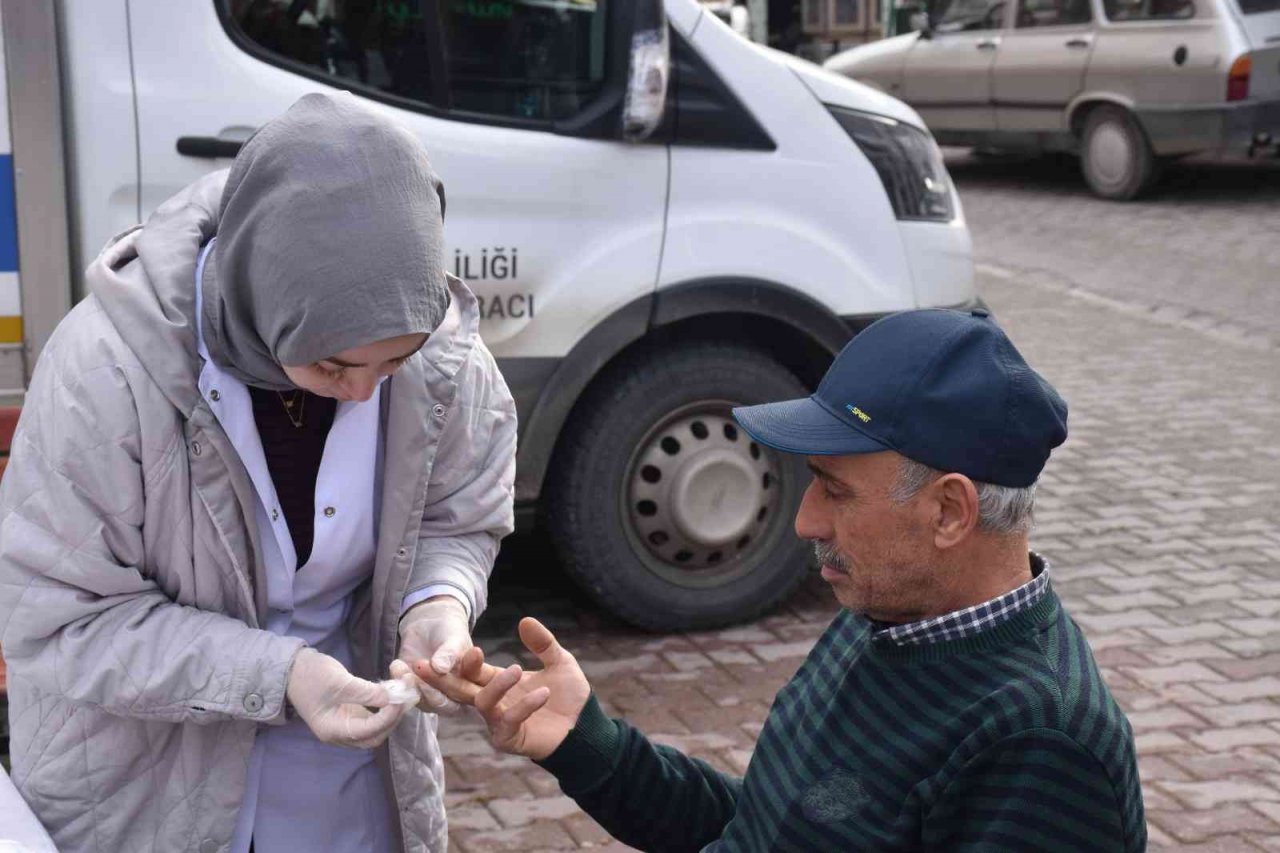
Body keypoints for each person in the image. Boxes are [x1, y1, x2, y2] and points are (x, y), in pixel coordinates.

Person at [417, 308, 1147, 851]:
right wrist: (585, 739)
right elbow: (763, 828)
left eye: (835, 489)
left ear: (950, 510)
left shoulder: (1041, 743)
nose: (804, 521)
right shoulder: (887, 617)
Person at [0, 93, 516, 852]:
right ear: (264, 299)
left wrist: (436, 604)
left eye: (393, 361)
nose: (367, 392)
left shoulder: (442, 357)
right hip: (142, 790)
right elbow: (63, 618)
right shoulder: (106, 372)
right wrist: (280, 675)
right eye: (333, 363)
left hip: (348, 784)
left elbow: (457, 514)